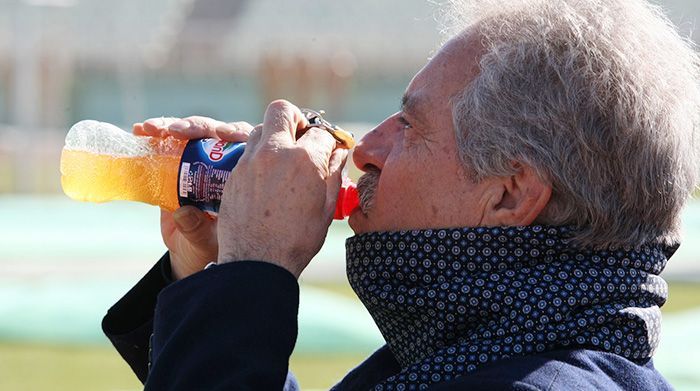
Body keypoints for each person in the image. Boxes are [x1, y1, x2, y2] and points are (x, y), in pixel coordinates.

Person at [103, 0, 699, 389]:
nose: (366, 150)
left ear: (512, 196)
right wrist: (208, 270)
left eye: (409, 128)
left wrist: (253, 268)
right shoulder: (498, 351)